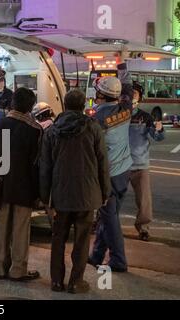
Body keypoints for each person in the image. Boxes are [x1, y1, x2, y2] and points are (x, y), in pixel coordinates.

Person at [40, 90, 110, 294]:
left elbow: (45, 167)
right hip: (87, 195)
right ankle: (75, 282)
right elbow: (102, 163)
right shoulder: (93, 128)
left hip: (60, 196)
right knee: (81, 240)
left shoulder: (52, 131)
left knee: (58, 238)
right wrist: (105, 191)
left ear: (65, 104)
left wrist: (45, 197)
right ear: (82, 106)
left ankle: (56, 281)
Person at [0, 87, 42, 282]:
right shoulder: (35, 130)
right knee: (20, 229)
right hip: (25, 186)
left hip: (1, 183)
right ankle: (18, 269)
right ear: (30, 107)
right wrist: (39, 193)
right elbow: (37, 164)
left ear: (12, 103)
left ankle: (0, 267)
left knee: (1, 226)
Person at [89, 53, 134, 273]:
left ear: (100, 95)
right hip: (125, 171)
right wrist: (121, 62)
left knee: (110, 218)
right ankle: (97, 254)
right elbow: (127, 85)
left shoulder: (96, 120)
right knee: (108, 216)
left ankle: (118, 260)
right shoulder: (126, 109)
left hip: (108, 175)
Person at [129, 81, 165, 241]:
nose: (131, 97)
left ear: (140, 97)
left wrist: (159, 128)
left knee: (144, 201)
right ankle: (103, 223)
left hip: (139, 164)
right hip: (119, 164)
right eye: (128, 94)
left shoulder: (145, 117)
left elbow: (158, 137)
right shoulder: (117, 114)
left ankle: (143, 228)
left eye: (134, 94)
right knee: (110, 198)